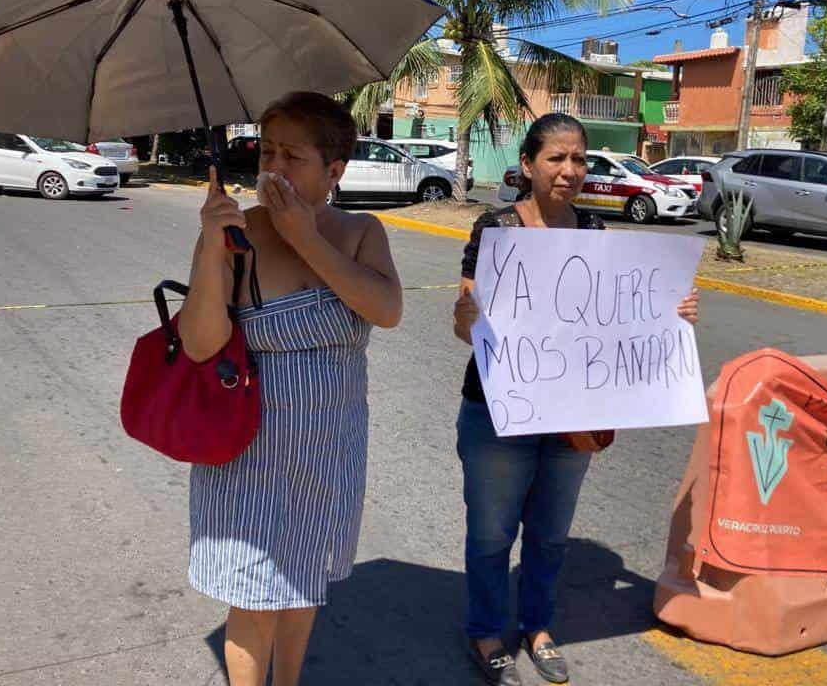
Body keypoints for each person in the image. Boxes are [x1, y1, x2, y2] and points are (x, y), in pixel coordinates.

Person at [452, 113, 700, 686]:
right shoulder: (495, 230)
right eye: (556, 158)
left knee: (551, 532)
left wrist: (673, 313)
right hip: (499, 409)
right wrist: (467, 316)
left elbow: (615, 321)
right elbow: (468, 330)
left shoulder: (594, 234)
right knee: (492, 533)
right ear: (528, 164)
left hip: (574, 414)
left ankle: (537, 626)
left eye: (579, 159)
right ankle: (488, 629)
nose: (569, 171)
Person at [179, 92, 402, 686]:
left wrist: (304, 236)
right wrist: (209, 248)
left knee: (305, 582)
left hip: (328, 447)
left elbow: (385, 309)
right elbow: (200, 343)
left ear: (334, 171)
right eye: (267, 151)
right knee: (252, 596)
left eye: (292, 156)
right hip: (247, 445)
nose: (272, 168)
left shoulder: (360, 232)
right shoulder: (236, 232)